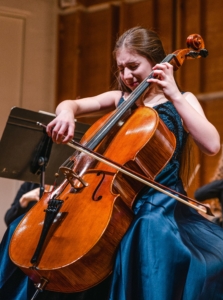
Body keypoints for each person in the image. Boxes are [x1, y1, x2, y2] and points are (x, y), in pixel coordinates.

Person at [1, 26, 223, 300]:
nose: (127, 76)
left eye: (134, 66)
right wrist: (66, 114)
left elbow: (212, 145)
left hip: (159, 203)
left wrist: (175, 94)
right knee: (19, 228)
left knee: (146, 232)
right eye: (121, 68)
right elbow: (70, 104)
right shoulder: (121, 100)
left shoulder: (182, 100)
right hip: (109, 198)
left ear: (155, 63)